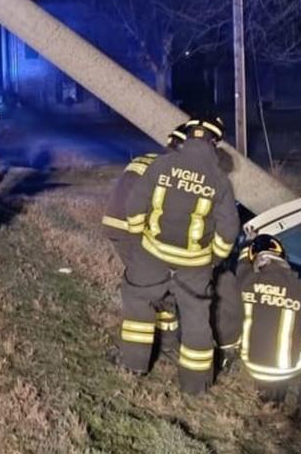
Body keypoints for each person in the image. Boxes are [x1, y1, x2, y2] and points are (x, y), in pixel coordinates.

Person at [117, 117, 237, 394]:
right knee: (196, 318)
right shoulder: (219, 180)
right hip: (194, 266)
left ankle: (134, 364)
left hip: (152, 255)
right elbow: (229, 229)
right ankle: (196, 385)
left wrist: (139, 239)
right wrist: (214, 259)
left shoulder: (161, 165)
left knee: (138, 303)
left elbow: (135, 204)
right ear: (214, 143)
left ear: (186, 138)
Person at [102, 124, 190, 360]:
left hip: (117, 226)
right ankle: (134, 357)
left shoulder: (147, 159)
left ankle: (167, 343)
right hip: (134, 232)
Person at [216, 234, 301, 392]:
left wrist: (248, 245)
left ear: (258, 262)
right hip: (285, 369)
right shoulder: (300, 289)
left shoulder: (246, 282)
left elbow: (243, 266)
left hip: (252, 364)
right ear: (284, 259)